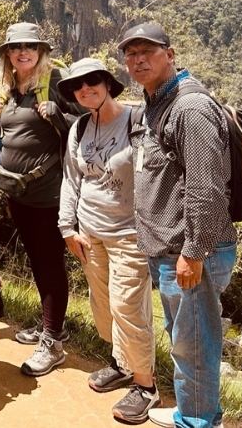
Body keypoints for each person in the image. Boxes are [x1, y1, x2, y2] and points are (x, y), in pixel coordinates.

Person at [119, 23, 238, 428]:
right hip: (170, 252)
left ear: (170, 54)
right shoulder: (156, 103)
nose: (138, 60)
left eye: (147, 52)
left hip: (190, 252)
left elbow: (206, 187)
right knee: (184, 339)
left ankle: (200, 421)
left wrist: (193, 251)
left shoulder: (189, 108)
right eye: (131, 54)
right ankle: (195, 411)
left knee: (194, 346)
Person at [57, 57, 158, 424]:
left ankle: (146, 385)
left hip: (129, 234)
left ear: (107, 82)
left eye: (92, 81)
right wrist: (67, 227)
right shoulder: (80, 128)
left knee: (129, 308)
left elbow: (155, 175)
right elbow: (72, 179)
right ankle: (120, 363)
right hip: (89, 232)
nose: (85, 90)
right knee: (103, 307)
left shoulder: (136, 121)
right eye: (77, 86)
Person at [0, 22, 79, 376]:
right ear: (8, 56)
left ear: (41, 51)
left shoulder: (54, 82)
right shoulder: (9, 90)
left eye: (29, 47)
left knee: (49, 263)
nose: (22, 52)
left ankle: (53, 342)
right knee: (37, 261)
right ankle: (50, 326)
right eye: (15, 48)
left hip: (47, 195)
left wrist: (60, 116)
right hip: (17, 193)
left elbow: (87, 124)